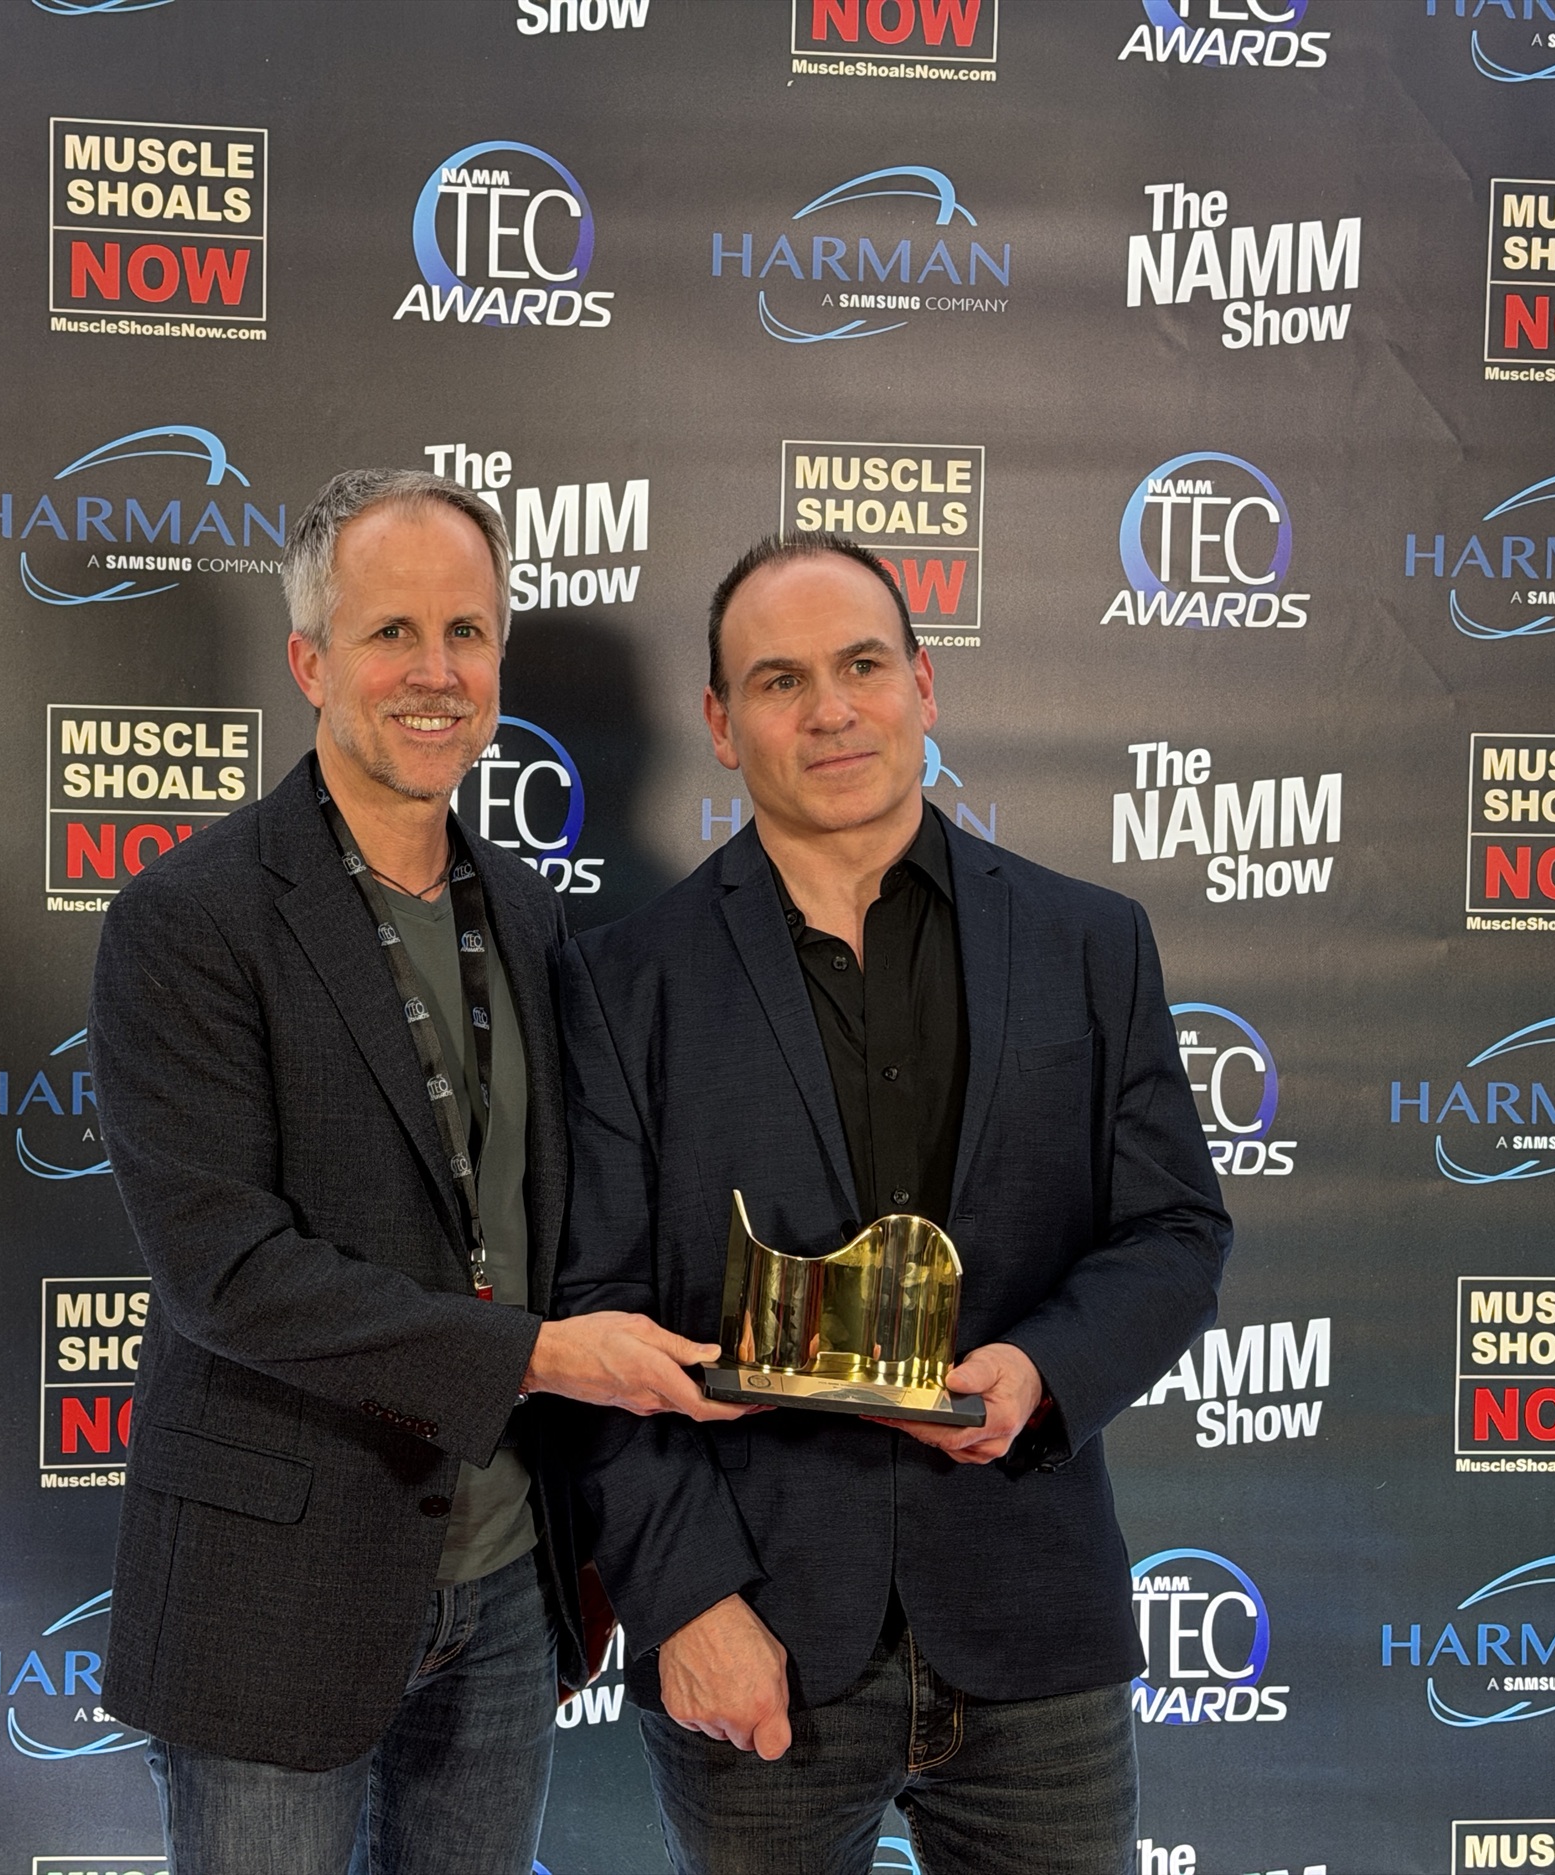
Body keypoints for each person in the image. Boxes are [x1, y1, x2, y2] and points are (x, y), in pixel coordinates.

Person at [87, 468, 746, 1875]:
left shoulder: (531, 914)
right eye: (392, 632)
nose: (435, 672)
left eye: (468, 633)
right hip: (272, 1591)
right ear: (310, 662)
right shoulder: (186, 921)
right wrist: (543, 1356)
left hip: (507, 1590)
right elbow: (229, 1275)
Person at [553, 534, 1232, 1874]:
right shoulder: (622, 984)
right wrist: (686, 1604)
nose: (831, 709)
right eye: (780, 680)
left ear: (924, 685)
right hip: (755, 1636)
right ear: (720, 724)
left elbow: (1174, 1233)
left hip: (1034, 1626)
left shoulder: (1090, 943)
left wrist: (1041, 1372)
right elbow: (587, 1316)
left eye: (862, 665)